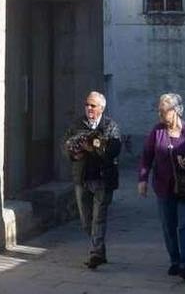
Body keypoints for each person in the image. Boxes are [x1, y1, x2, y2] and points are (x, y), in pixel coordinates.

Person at [137, 93, 185, 283]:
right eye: (159, 110)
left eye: (164, 110)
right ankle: (175, 260)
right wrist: (142, 179)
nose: (160, 114)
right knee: (168, 227)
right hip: (164, 187)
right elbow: (146, 156)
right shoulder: (157, 132)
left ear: (176, 110)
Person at [63, 91, 122, 269]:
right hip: (82, 178)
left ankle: (95, 253)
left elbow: (114, 150)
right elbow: (65, 145)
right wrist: (74, 152)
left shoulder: (110, 126)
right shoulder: (77, 124)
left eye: (93, 105)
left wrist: (94, 148)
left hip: (102, 180)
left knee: (99, 218)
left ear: (101, 108)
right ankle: (100, 249)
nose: (89, 108)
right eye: (87, 104)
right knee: (86, 221)